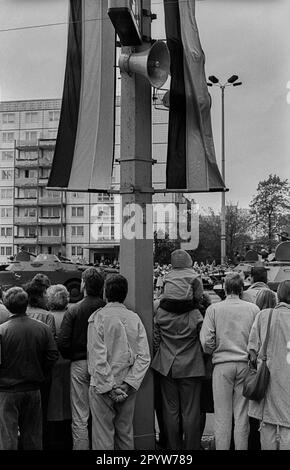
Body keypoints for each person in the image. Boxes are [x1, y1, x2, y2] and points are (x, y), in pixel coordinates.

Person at [87, 274, 150, 450]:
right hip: (127, 385)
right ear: (125, 293)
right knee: (125, 434)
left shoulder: (97, 318)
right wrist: (128, 383)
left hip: (102, 385)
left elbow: (97, 356)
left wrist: (109, 385)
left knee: (103, 436)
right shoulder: (134, 318)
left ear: (105, 293)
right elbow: (144, 356)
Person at [200, 273, 259, 450]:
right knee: (241, 416)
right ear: (242, 289)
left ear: (225, 289)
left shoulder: (214, 309)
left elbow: (206, 341)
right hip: (244, 364)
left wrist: (213, 350)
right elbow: (256, 339)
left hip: (222, 365)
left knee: (222, 416)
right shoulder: (253, 309)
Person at [0, 287, 58, 450]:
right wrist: (41, 371)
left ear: (7, 305)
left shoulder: (2, 331)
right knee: (33, 437)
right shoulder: (43, 329)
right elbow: (53, 355)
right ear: (26, 304)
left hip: (7, 391)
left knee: (8, 438)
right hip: (33, 389)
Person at [151, 276, 205, 450]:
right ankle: (192, 447)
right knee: (191, 412)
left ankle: (173, 449)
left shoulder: (160, 313)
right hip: (191, 366)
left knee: (170, 411)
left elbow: (156, 340)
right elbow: (204, 341)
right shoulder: (195, 314)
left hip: (167, 366)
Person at [58, 267, 105, 450]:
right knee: (102, 414)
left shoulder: (74, 310)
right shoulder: (106, 309)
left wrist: (72, 356)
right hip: (102, 364)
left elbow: (63, 342)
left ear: (83, 284)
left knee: (80, 415)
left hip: (79, 363)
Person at [247, 280, 290, 450]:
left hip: (267, 380)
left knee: (267, 427)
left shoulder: (264, 315)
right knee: (288, 427)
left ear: (278, 295)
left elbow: (252, 349)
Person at [46, 284, 72, 450]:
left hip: (53, 364)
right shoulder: (71, 315)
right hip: (70, 362)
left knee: (53, 402)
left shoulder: (48, 317)